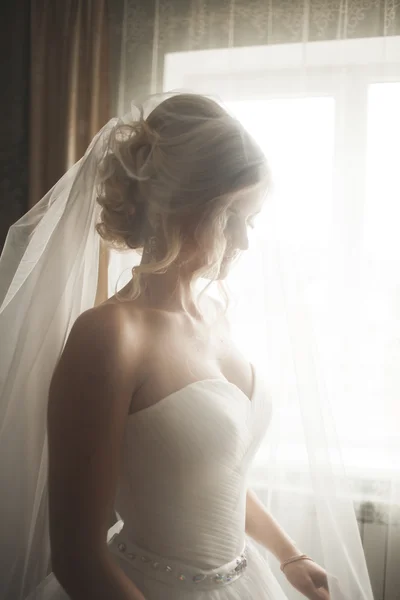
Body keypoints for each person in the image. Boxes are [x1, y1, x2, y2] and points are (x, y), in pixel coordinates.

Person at [0, 93, 333, 600]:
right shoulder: (110, 337)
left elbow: (211, 474)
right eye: (230, 216)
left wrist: (289, 554)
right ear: (178, 208)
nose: (243, 241)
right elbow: (76, 556)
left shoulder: (217, 320)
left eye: (252, 219)